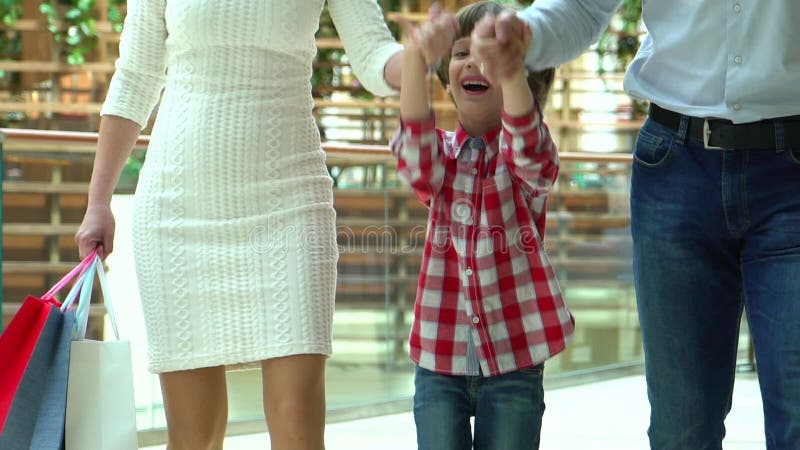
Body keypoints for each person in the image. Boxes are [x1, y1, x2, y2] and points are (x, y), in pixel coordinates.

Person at [74, 1, 404, 449]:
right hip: (178, 208)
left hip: (289, 201)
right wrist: (99, 201)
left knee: (298, 429)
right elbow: (135, 75)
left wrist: (427, 58)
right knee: (195, 438)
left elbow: (373, 56)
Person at [472, 1, 800, 448]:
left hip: (792, 168)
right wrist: (525, 34)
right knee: (680, 428)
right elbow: (583, 8)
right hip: (676, 164)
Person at [391, 2, 574, 449]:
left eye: (490, 54)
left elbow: (530, 149)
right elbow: (413, 145)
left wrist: (511, 72)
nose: (474, 61)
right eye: (461, 54)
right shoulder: (439, 158)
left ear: (522, 76)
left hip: (515, 362)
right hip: (440, 360)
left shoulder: (524, 161)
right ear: (447, 78)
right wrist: (415, 59)